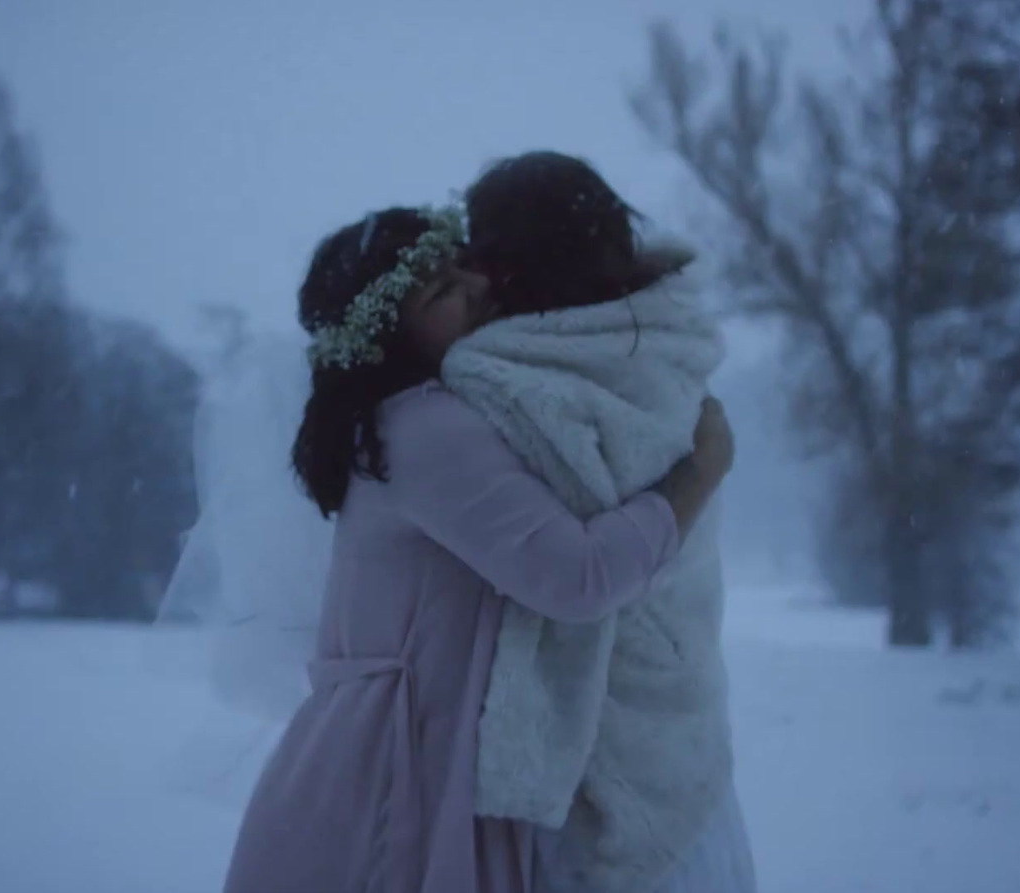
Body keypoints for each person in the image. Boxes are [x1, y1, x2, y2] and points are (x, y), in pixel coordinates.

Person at [219, 204, 735, 893]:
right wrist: (697, 473)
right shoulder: (425, 428)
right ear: (389, 339)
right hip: (403, 762)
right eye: (440, 291)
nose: (477, 283)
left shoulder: (401, 425)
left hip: (391, 743)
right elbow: (577, 578)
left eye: (459, 261)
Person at [451, 150, 756, 893]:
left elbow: (573, 571)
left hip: (580, 765)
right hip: (685, 725)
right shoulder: (671, 348)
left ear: (501, 259)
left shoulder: (497, 384)